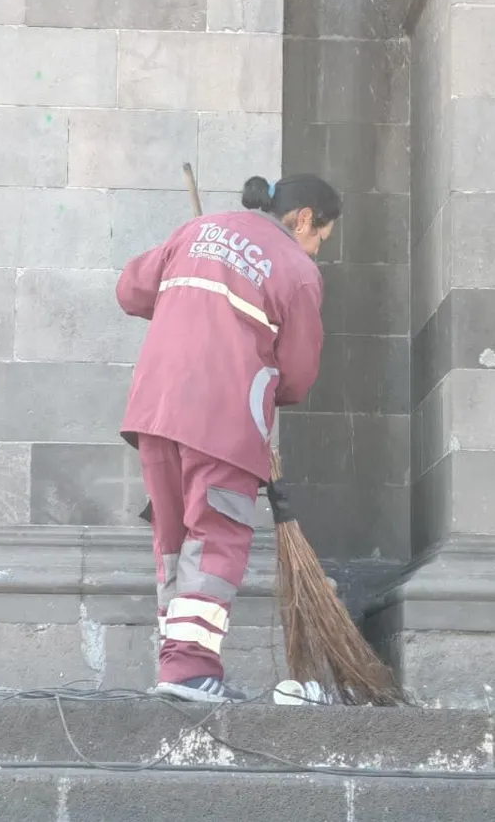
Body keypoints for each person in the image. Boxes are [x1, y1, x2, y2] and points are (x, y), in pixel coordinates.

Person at [115, 173, 342, 703]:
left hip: (156, 408)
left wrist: (192, 291)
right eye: (320, 237)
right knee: (217, 535)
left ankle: (176, 665)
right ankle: (192, 670)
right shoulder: (296, 269)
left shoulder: (196, 231)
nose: (316, 249)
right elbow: (298, 373)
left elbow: (130, 290)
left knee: (173, 538)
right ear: (304, 218)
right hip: (224, 417)